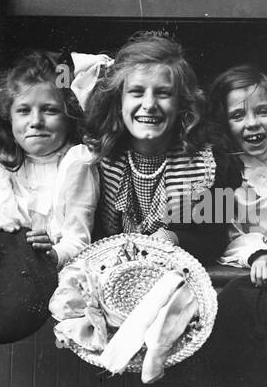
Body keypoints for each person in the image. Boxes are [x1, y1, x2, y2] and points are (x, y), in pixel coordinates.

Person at [82, 31, 240, 263]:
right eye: (136, 92)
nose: (149, 104)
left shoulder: (212, 163)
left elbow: (217, 240)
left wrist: (174, 237)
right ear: (118, 102)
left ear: (182, 104)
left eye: (163, 93)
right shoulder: (97, 160)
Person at [0, 50, 98, 267]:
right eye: (23, 110)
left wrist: (53, 254)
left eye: (49, 110)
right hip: (4, 268)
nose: (36, 121)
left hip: (58, 271)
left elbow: (79, 239)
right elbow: (0, 224)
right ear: (8, 117)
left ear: (69, 117)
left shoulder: (77, 163)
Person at [207, 64, 267, 288]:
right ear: (224, 124)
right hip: (244, 268)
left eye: (263, 112)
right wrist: (259, 255)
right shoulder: (221, 171)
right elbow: (223, 236)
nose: (253, 123)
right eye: (238, 116)